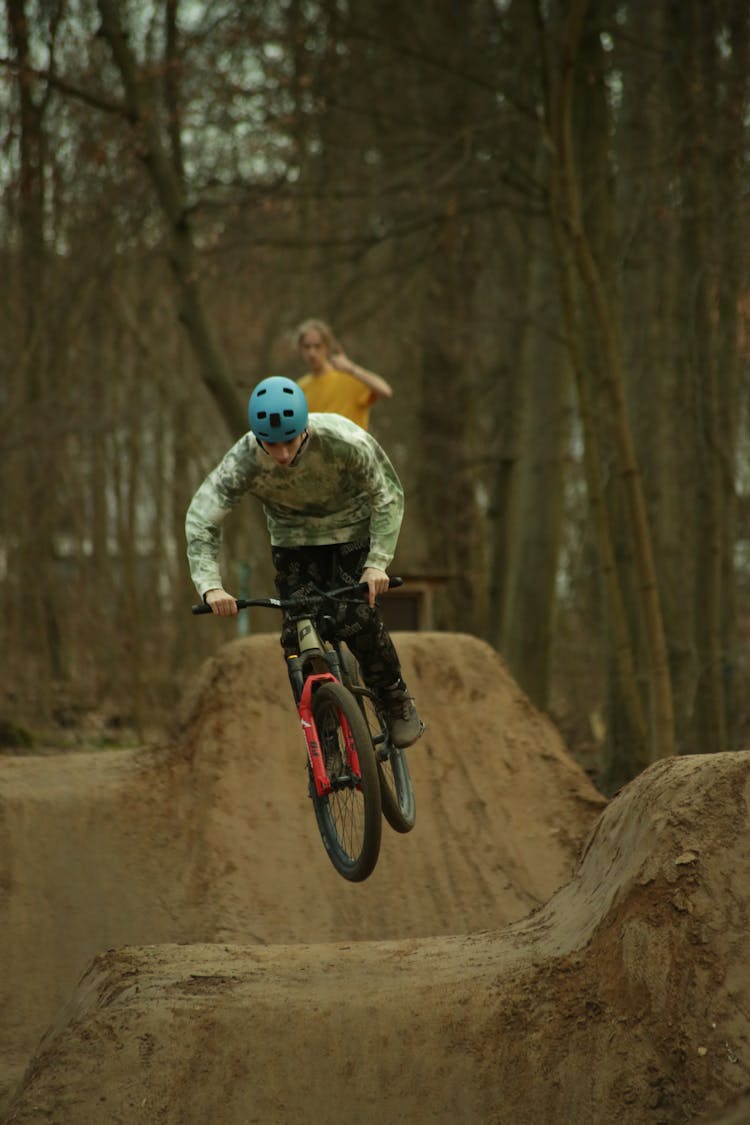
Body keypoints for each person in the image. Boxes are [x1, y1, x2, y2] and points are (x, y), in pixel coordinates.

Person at [185, 376, 423, 749]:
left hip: (351, 529)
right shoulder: (243, 460)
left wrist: (377, 563)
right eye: (271, 444)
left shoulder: (345, 441)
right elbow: (202, 517)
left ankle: (395, 698)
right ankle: (324, 737)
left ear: (305, 430)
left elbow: (388, 495)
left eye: (289, 441)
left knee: (353, 617)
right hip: (293, 540)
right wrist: (210, 584)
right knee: (297, 633)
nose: (280, 454)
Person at [295, 318, 392, 431]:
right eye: (307, 347)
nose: (312, 353)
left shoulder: (349, 377)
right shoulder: (298, 389)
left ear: (327, 347)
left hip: (353, 447)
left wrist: (351, 368)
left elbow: (385, 391)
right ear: (300, 349)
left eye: (317, 346)